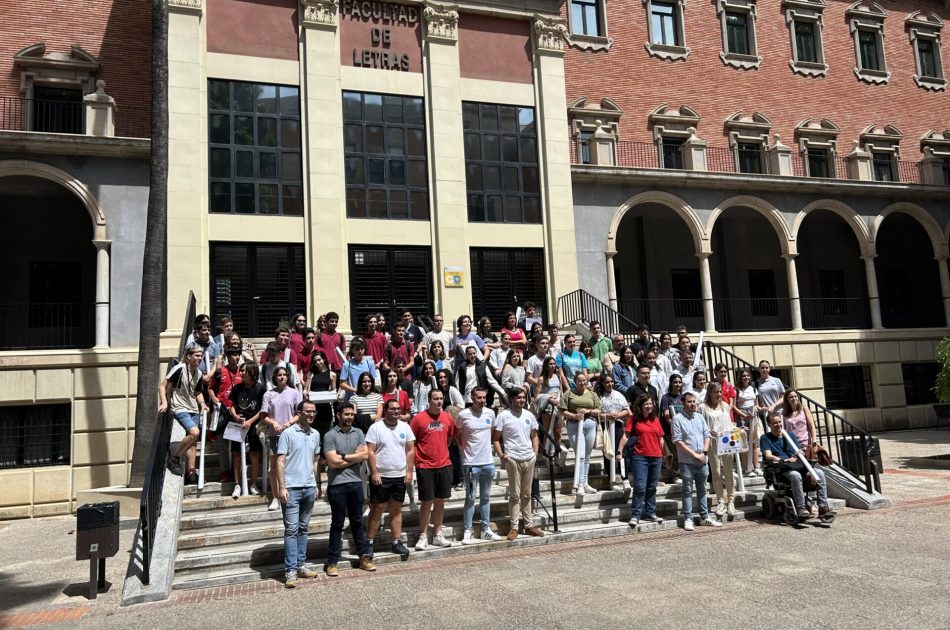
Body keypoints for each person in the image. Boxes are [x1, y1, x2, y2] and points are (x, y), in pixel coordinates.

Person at [323, 403, 375, 576]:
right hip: (336, 484)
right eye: (346, 414)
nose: (350, 417)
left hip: (356, 482)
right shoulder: (330, 435)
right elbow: (332, 462)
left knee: (357, 521)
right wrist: (354, 457)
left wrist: (343, 456)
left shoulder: (358, 432)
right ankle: (332, 561)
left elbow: (365, 455)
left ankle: (363, 557)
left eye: (352, 414)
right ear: (338, 415)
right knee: (337, 523)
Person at [275, 400, 322, 588]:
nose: (311, 414)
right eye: (308, 411)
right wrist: (281, 487)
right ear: (299, 413)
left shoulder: (315, 434)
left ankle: (301, 565)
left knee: (303, 528)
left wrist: (317, 483)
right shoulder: (287, 433)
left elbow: (315, 461)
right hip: (291, 488)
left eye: (314, 411)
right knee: (291, 530)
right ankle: (291, 570)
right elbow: (279, 462)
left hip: (309, 487)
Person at [760, 412, 836, 520]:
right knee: (795, 475)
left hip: (798, 464)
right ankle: (801, 508)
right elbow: (768, 455)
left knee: (820, 473)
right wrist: (784, 459)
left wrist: (802, 451)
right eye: (775, 423)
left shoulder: (790, 435)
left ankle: (823, 507)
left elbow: (797, 450)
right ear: (769, 424)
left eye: (779, 422)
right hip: (783, 467)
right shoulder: (765, 438)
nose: (778, 424)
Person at [366, 399, 415, 560]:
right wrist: (374, 473)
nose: (396, 411)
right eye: (392, 409)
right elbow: (370, 452)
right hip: (381, 476)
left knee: (396, 509)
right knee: (377, 509)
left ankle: (396, 541)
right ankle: (369, 542)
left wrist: (409, 472)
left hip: (399, 475)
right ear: (385, 410)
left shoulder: (405, 427)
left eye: (398, 409)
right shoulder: (376, 428)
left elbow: (410, 450)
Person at [493, 388, 544, 540]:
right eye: (519, 398)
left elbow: (535, 435)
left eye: (523, 397)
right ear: (511, 399)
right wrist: (502, 455)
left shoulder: (529, 415)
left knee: (527, 494)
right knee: (515, 495)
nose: (522, 400)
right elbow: (495, 438)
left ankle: (528, 526)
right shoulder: (503, 416)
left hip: (529, 457)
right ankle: (514, 527)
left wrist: (535, 452)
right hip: (513, 458)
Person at [410, 389, 457, 550]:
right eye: (436, 399)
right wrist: (416, 461)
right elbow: (411, 442)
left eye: (441, 399)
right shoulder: (418, 419)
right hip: (425, 466)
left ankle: (438, 534)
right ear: (429, 400)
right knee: (426, 502)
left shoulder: (447, 417)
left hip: (444, 464)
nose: (439, 401)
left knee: (440, 501)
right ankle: (423, 535)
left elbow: (449, 438)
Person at [455, 387, 503, 543]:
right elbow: (456, 432)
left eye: (484, 397)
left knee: (486, 497)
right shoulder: (463, 415)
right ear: (472, 397)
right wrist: (463, 447)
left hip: (488, 463)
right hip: (471, 464)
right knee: (470, 497)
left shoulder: (490, 413)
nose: (482, 400)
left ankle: (485, 529)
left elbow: (493, 432)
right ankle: (467, 530)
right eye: (479, 397)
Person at [672, 392, 721, 531]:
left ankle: (704, 517)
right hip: (687, 461)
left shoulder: (700, 417)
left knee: (702, 490)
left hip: (702, 460)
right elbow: (678, 441)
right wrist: (695, 455)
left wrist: (704, 453)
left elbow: (707, 435)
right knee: (687, 491)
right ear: (683, 403)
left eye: (694, 401)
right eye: (689, 402)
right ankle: (688, 518)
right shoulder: (677, 419)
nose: (692, 404)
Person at [161, 342, 209, 485]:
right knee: (194, 433)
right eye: (197, 355)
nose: (200, 358)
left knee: (193, 441)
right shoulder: (179, 368)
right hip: (180, 407)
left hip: (193, 408)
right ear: (188, 356)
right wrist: (164, 402)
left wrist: (202, 404)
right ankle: (174, 458)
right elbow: (162, 385)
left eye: (201, 356)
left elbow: (197, 392)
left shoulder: (198, 373)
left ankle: (191, 472)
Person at [618, 395, 665, 526]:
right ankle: (636, 515)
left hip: (656, 457)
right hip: (640, 457)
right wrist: (619, 451)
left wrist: (664, 454)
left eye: (651, 404)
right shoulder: (634, 419)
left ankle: (650, 513)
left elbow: (661, 438)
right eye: (646, 404)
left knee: (652, 487)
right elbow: (626, 435)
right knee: (640, 487)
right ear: (640, 406)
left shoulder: (655, 419)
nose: (649, 406)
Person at [261, 366, 303, 510]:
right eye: (279, 375)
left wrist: (289, 423)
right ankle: (275, 497)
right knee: (273, 467)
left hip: (291, 434)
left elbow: (299, 413)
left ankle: (291, 494)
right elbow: (263, 415)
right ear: (275, 377)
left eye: (284, 375)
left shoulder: (294, 393)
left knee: (290, 465)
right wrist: (273, 423)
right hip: (274, 435)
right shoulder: (268, 394)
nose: (282, 377)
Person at [559, 373, 601, 495]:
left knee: (587, 456)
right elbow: (561, 410)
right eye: (579, 381)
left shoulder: (592, 394)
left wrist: (588, 411)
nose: (582, 383)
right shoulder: (569, 393)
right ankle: (580, 484)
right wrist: (574, 415)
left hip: (590, 424)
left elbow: (599, 410)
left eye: (584, 380)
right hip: (574, 424)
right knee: (580, 455)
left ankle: (585, 482)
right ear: (575, 381)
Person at [228, 363, 266, 497]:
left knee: (254, 453)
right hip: (238, 425)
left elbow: (263, 409)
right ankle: (237, 484)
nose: (242, 373)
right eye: (241, 371)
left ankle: (253, 483)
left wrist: (250, 421)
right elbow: (232, 405)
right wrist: (235, 416)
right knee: (237, 454)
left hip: (254, 425)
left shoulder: (260, 389)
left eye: (245, 371)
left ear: (252, 372)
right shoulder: (237, 388)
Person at [703, 382, 737, 520]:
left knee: (728, 472)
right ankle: (721, 501)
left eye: (720, 392)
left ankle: (731, 500)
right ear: (710, 393)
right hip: (712, 442)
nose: (718, 394)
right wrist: (709, 432)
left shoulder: (726, 406)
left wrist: (737, 430)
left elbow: (728, 424)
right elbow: (702, 425)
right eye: (716, 392)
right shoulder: (703, 408)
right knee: (716, 473)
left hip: (726, 440)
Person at [210, 347, 243, 487]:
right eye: (234, 355)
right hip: (222, 411)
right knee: (223, 444)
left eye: (238, 355)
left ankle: (237, 474)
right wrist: (215, 400)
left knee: (236, 444)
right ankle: (224, 472)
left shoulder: (243, 371)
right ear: (228, 357)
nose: (236, 357)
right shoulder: (220, 372)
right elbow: (210, 388)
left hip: (237, 412)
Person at [599, 374, 631, 487]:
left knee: (620, 451)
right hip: (605, 425)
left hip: (617, 425)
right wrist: (606, 416)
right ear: (603, 384)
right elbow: (595, 412)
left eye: (611, 382)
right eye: (607, 382)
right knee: (608, 452)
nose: (610, 384)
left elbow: (626, 410)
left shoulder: (618, 394)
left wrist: (617, 415)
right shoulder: (599, 396)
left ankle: (625, 478)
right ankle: (611, 480)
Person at [533, 356, 563, 460]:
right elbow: (537, 396)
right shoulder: (542, 379)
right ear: (546, 365)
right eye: (550, 364)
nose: (553, 366)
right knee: (547, 430)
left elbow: (560, 390)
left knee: (558, 432)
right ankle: (545, 453)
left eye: (554, 364)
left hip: (558, 406)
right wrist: (549, 398)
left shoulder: (558, 376)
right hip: (547, 407)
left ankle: (557, 454)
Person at [733, 369, 762, 476]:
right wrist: (744, 415)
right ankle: (748, 468)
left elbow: (756, 404)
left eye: (747, 376)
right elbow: (734, 406)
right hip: (742, 415)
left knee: (754, 442)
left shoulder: (753, 389)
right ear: (740, 377)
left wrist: (760, 408)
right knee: (744, 443)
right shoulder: (736, 390)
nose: (746, 378)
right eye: (743, 376)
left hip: (753, 415)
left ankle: (756, 466)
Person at [303, 351, 336, 441]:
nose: (318, 362)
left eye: (319, 360)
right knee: (313, 433)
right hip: (313, 407)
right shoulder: (311, 374)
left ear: (324, 359)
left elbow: (333, 390)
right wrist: (305, 394)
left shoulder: (332, 374)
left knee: (327, 434)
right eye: (315, 361)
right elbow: (306, 389)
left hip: (326, 407)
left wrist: (335, 394)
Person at [659, 374, 684, 483]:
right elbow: (666, 415)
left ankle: (683, 473)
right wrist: (674, 426)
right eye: (675, 382)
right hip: (670, 430)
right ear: (671, 383)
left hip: (683, 430)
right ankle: (675, 475)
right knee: (674, 453)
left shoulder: (683, 397)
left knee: (683, 452)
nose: (677, 384)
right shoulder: (666, 397)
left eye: (679, 382)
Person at [782, 390, 817, 458]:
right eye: (791, 397)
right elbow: (784, 430)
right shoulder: (784, 413)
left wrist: (814, 441)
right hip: (792, 444)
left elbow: (812, 426)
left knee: (808, 462)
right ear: (787, 400)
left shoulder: (804, 409)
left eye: (795, 396)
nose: (794, 398)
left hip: (805, 443)